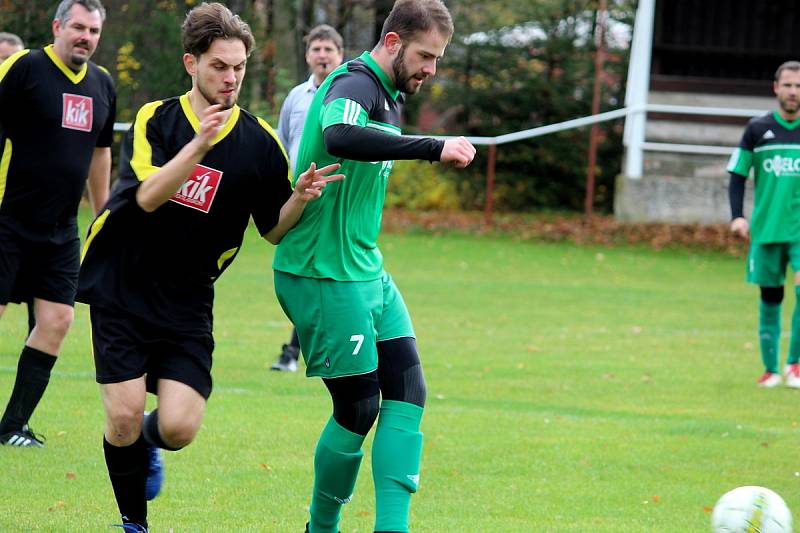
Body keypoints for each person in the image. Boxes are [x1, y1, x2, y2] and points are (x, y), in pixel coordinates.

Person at [76, 3, 342, 531]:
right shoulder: (159, 118)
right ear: (191, 63)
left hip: (189, 298)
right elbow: (148, 196)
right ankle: (134, 522)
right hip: (124, 283)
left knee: (177, 428)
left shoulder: (260, 142)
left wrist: (301, 199)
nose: (231, 76)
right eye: (219, 65)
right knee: (123, 415)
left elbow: (271, 228)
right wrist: (198, 144)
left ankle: (149, 444)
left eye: (239, 66)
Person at [272, 0, 476, 530]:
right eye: (426, 56)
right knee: (358, 409)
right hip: (321, 272)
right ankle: (322, 527)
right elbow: (340, 135)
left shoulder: (389, 94)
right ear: (392, 42)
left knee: (409, 393)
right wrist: (433, 147)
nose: (431, 69)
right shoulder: (356, 82)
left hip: (367, 271)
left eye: (437, 59)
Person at [0, 0, 115, 448]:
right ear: (57, 27)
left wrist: (102, 212)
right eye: (79, 28)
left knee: (58, 319)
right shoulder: (24, 69)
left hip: (60, 228)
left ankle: (13, 425)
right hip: (7, 219)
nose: (86, 37)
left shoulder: (103, 84)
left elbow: (101, 151)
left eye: (94, 30)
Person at [271, 24, 344, 372]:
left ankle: (302, 351)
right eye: (316, 49)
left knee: (323, 274)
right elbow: (285, 142)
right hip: (300, 196)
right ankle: (302, 351)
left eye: (329, 49)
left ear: (340, 55)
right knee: (302, 272)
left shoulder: (346, 95)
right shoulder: (296, 97)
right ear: (307, 55)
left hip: (332, 198)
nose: (322, 55)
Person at [729, 60, 800, 389]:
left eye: (799, 86)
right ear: (776, 88)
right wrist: (738, 216)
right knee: (771, 298)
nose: (794, 92)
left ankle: (794, 365)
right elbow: (738, 175)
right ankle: (771, 369)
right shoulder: (757, 129)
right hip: (768, 229)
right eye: (788, 85)